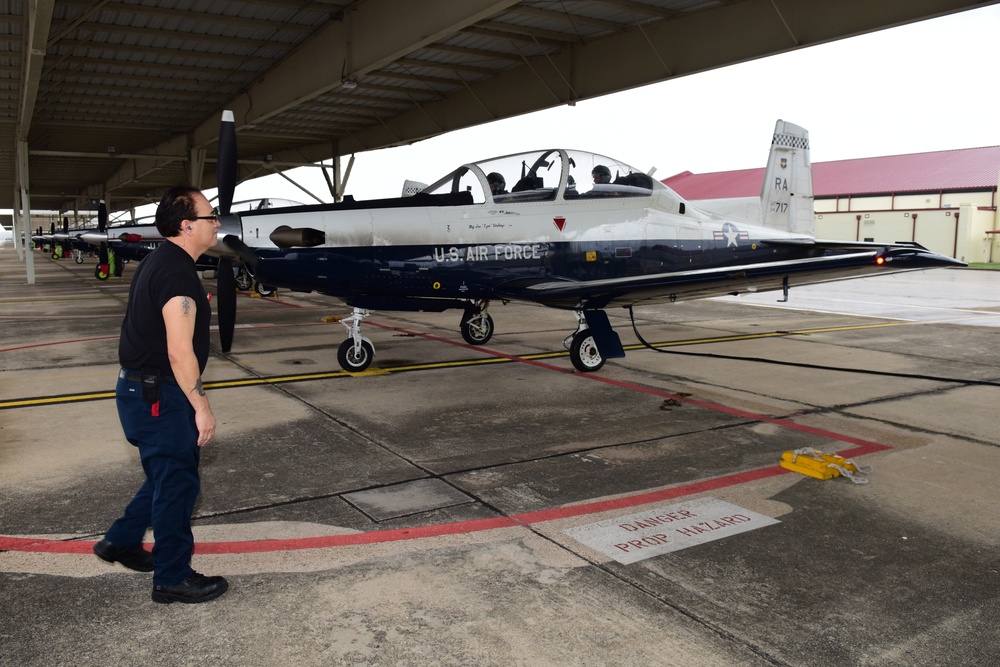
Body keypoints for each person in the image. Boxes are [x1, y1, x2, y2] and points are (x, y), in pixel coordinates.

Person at [94, 185, 228, 604]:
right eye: (210, 216)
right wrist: (201, 407)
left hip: (139, 390)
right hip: (160, 396)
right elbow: (178, 349)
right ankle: (172, 577)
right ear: (188, 226)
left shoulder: (160, 261)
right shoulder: (176, 273)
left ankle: (121, 541)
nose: (217, 222)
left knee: (164, 474)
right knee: (178, 484)